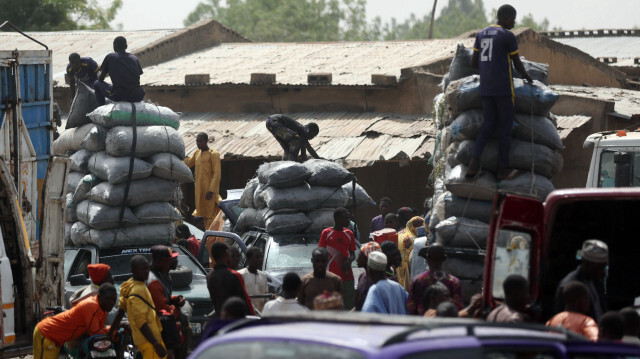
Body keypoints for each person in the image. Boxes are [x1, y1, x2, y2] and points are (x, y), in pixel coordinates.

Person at [465, 4, 533, 181]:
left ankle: (473, 164)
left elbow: (474, 63)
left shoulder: (481, 34)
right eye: (513, 18)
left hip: (486, 88)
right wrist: (528, 77)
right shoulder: (507, 36)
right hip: (503, 88)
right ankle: (502, 169)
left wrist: (488, 66)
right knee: (505, 128)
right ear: (506, 17)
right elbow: (517, 63)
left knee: (487, 126)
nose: (514, 22)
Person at [33, 283, 117, 359]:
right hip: (47, 333)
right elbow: (95, 332)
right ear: (99, 297)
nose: (111, 303)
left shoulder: (103, 309)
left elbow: (101, 330)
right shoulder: (92, 305)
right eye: (108, 299)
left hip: (55, 339)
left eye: (114, 300)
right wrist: (115, 328)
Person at [112, 256, 167, 359]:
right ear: (133, 271)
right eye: (143, 269)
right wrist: (156, 344)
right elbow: (140, 321)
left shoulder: (128, 285)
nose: (146, 272)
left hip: (143, 341)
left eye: (147, 268)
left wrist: (110, 332)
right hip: (150, 342)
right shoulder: (138, 290)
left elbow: (120, 312)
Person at [554, 239, 608, 322]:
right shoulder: (569, 286)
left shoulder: (597, 282)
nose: (603, 272)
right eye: (600, 267)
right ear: (587, 265)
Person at [147, 246, 186, 357]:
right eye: (167, 261)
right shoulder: (153, 280)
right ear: (158, 261)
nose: (170, 264)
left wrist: (175, 299)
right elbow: (163, 309)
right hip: (160, 328)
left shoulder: (161, 274)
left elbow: (164, 297)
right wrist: (176, 308)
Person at [407, 243, 463, 315]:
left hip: (422, 323)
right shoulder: (453, 282)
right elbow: (457, 308)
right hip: (446, 324)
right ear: (444, 258)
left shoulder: (417, 281)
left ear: (427, 258)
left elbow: (411, 307)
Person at [318, 207, 357, 310]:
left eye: (349, 218)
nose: (348, 220)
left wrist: (349, 260)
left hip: (347, 275)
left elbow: (353, 254)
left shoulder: (349, 234)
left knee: (349, 305)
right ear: (337, 218)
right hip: (331, 276)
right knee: (331, 305)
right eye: (345, 218)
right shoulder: (326, 233)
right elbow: (320, 253)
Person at [184, 132, 222, 230]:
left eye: (200, 141)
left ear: (206, 141)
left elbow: (217, 174)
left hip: (209, 191)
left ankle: (211, 233)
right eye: (197, 141)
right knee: (200, 213)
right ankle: (202, 235)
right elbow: (188, 163)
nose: (198, 143)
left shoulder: (213, 154)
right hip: (199, 190)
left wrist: (211, 190)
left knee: (210, 213)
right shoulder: (197, 153)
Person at [207, 242, 255, 318]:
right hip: (235, 322)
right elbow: (246, 301)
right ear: (226, 253)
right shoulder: (234, 275)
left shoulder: (210, 276)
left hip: (220, 320)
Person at [94, 36, 145, 106]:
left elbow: (101, 79)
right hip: (138, 95)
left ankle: (101, 107)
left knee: (96, 83)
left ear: (114, 47)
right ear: (126, 46)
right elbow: (136, 76)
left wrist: (98, 75)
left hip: (120, 95)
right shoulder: (134, 58)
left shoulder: (110, 57)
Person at [397, 216, 425, 291]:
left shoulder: (400, 233)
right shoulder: (413, 239)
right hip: (409, 265)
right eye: (416, 225)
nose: (419, 228)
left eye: (422, 225)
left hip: (400, 266)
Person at [238, 247, 269, 313]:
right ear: (249, 259)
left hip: (260, 315)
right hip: (245, 314)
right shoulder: (240, 275)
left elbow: (266, 297)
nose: (260, 259)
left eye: (261, 257)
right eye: (257, 257)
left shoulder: (263, 276)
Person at [355, 241, 382, 311]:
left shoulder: (376, 281)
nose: (357, 259)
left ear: (367, 258)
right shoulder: (362, 276)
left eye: (359, 255)